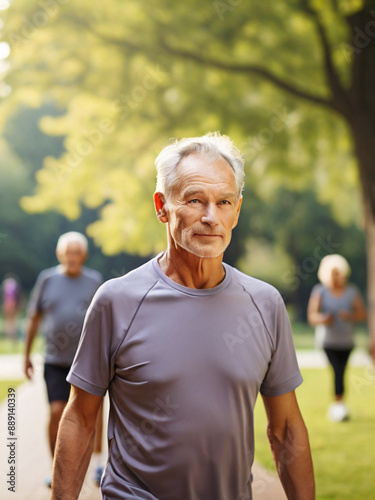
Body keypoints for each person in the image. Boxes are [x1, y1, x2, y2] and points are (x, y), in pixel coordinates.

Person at [52, 133, 314, 500]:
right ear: (162, 206)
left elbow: (285, 428)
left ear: (236, 210)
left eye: (223, 202)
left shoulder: (265, 304)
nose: (211, 217)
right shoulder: (117, 301)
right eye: (195, 200)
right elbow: (80, 419)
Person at [25, 231, 103, 485]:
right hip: (55, 360)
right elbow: (34, 318)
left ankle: (98, 465)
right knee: (57, 411)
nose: (72, 257)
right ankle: (56, 467)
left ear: (83, 256)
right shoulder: (47, 279)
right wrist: (26, 356)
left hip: (88, 360)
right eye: (68, 252)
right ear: (60, 254)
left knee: (92, 414)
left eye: (76, 253)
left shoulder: (94, 281)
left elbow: (104, 319)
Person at [307, 254, 367, 422]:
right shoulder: (320, 291)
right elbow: (312, 316)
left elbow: (362, 313)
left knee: (342, 371)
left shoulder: (351, 291)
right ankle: (338, 406)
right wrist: (324, 319)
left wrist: (349, 316)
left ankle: (339, 405)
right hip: (328, 341)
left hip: (347, 341)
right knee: (337, 371)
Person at [1, 273, 22, 341]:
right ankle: (13, 336)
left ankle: (9, 336)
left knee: (8, 321)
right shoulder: (14, 285)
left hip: (7, 304)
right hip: (14, 304)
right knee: (14, 321)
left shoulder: (5, 285)